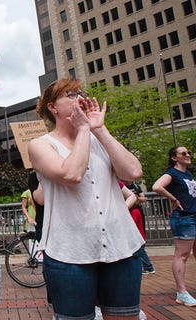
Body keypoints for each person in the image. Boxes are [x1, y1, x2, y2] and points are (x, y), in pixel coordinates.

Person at [28, 79, 144, 319]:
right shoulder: (40, 145)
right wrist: (83, 130)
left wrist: (99, 129)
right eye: (70, 94)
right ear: (53, 107)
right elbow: (71, 174)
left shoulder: (98, 139)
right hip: (69, 254)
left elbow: (133, 173)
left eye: (81, 92)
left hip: (120, 246)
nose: (79, 97)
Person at [152, 146, 196, 307]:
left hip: (193, 216)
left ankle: (184, 292)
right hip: (184, 219)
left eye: (188, 152)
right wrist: (174, 199)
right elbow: (157, 187)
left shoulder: (188, 174)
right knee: (182, 255)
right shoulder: (172, 174)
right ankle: (182, 292)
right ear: (174, 158)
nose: (188, 155)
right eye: (183, 153)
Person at [121, 180, 155, 275]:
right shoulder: (121, 184)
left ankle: (148, 267)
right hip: (137, 234)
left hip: (137, 235)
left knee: (139, 251)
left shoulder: (135, 211)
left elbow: (132, 223)